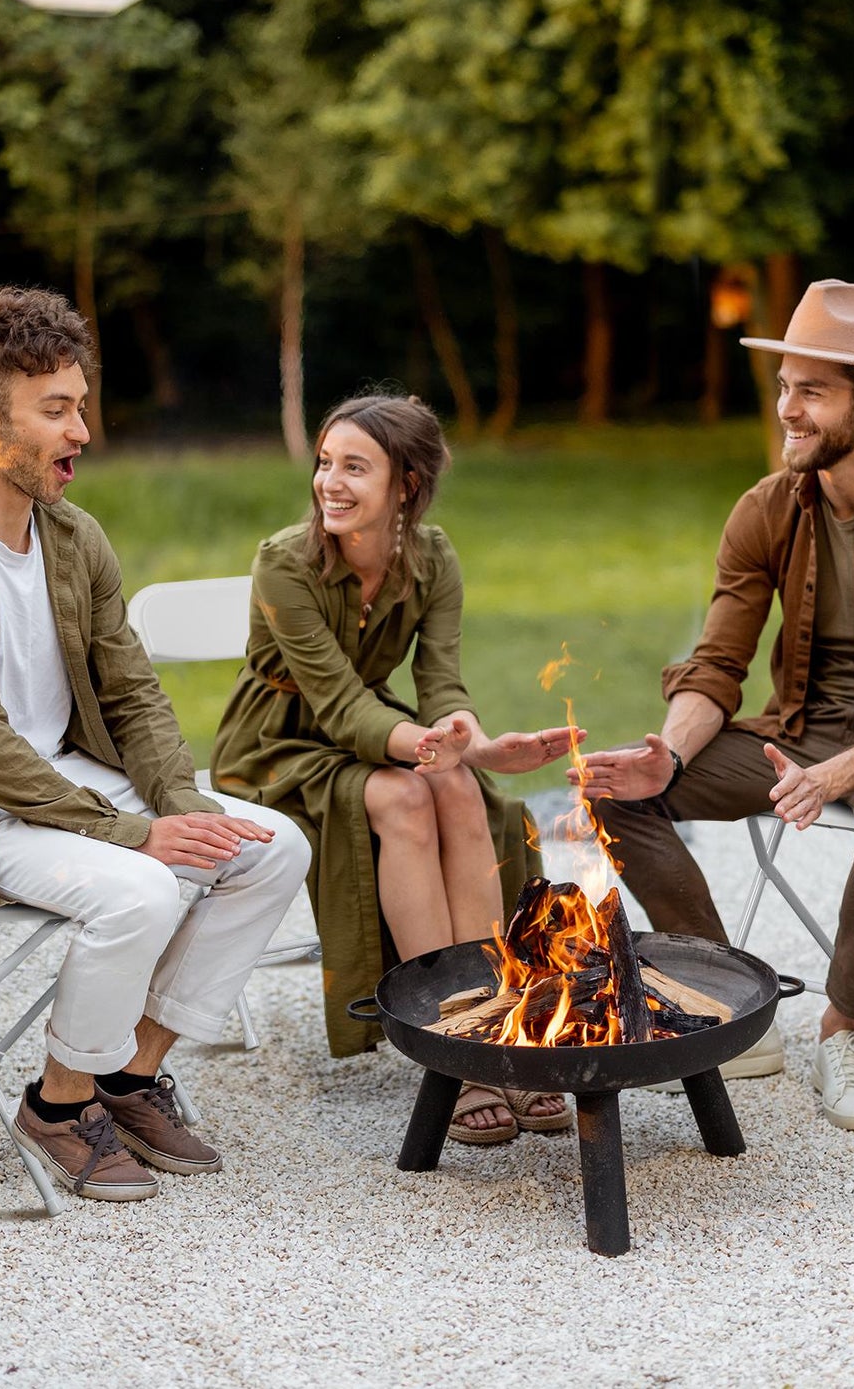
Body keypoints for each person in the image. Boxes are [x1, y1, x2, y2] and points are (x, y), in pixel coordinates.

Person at [0, 286, 312, 1203]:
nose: (83, 429)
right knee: (142, 888)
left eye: (81, 403)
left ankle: (128, 1075)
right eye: (58, 410)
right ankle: (57, 1100)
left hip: (67, 783)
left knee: (272, 849)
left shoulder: (76, 538)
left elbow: (133, 692)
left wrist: (184, 808)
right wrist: (137, 836)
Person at [574, 280, 854, 1128]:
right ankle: (725, 1003)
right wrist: (669, 749)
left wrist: (834, 773)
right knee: (613, 786)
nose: (787, 410)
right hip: (799, 732)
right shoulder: (768, 508)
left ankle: (844, 1027)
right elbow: (717, 664)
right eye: (783, 387)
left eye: (811, 390)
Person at [210, 392, 580, 1145]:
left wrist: (471, 742)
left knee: (458, 787)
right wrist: (432, 747)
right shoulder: (285, 562)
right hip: (278, 744)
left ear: (405, 483)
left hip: (379, 730)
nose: (329, 483)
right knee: (410, 797)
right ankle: (450, 1040)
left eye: (355, 467)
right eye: (324, 463)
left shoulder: (432, 556)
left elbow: (441, 682)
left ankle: (494, 1019)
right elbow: (339, 705)